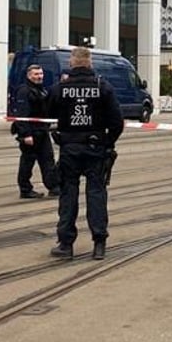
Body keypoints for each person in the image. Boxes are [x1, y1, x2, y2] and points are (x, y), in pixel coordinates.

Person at [47, 47, 123, 261]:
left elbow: (48, 112)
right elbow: (117, 122)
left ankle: (65, 244)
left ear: (72, 63)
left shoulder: (60, 87)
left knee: (68, 195)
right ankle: (99, 243)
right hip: (95, 148)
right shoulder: (102, 86)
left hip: (69, 149)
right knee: (96, 194)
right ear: (90, 63)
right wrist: (108, 143)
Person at [12, 64, 59, 199]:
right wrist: (25, 134)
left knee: (48, 160)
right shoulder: (24, 91)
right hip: (31, 133)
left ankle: (53, 186)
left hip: (42, 131)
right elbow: (21, 115)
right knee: (28, 161)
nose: (39, 77)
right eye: (36, 74)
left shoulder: (42, 90)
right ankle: (25, 189)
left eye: (41, 74)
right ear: (29, 75)